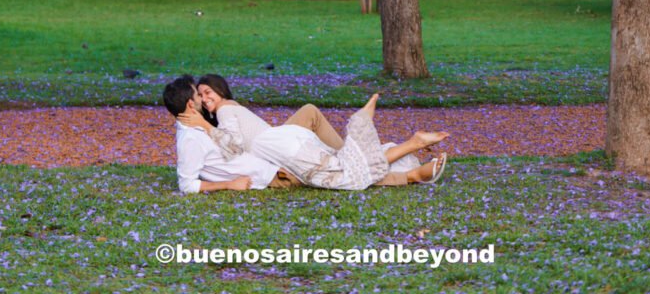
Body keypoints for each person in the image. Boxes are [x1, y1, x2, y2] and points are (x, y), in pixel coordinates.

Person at [163, 76, 448, 194]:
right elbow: (198, 174)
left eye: (207, 92)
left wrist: (205, 126)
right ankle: (405, 165)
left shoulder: (223, 112)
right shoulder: (208, 124)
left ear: (221, 92)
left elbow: (234, 145)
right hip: (278, 148)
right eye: (200, 95)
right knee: (341, 166)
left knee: (344, 170)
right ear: (191, 104)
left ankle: (366, 151)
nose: (204, 98)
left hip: (278, 146)